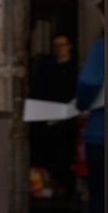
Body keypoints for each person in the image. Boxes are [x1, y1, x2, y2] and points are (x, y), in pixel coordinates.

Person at [30, 33, 79, 197]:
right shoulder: (47, 68)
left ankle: (66, 187)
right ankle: (52, 186)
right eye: (56, 46)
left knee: (66, 153)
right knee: (50, 153)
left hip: (69, 117)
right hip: (49, 117)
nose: (59, 49)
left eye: (62, 45)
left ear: (70, 46)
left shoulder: (76, 68)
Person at [76, 2, 105, 213]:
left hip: (104, 133)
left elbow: (88, 83)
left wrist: (82, 104)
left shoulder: (103, 47)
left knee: (103, 196)